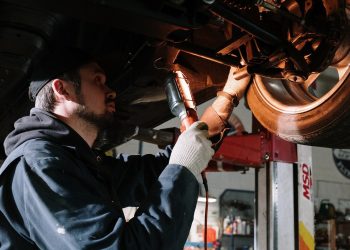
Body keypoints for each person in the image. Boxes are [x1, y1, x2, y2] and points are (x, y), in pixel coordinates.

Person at [0, 48, 249, 249]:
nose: (111, 91)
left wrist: (226, 100)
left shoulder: (74, 162)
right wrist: (184, 167)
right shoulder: (39, 165)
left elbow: (155, 175)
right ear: (62, 89)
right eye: (97, 80)